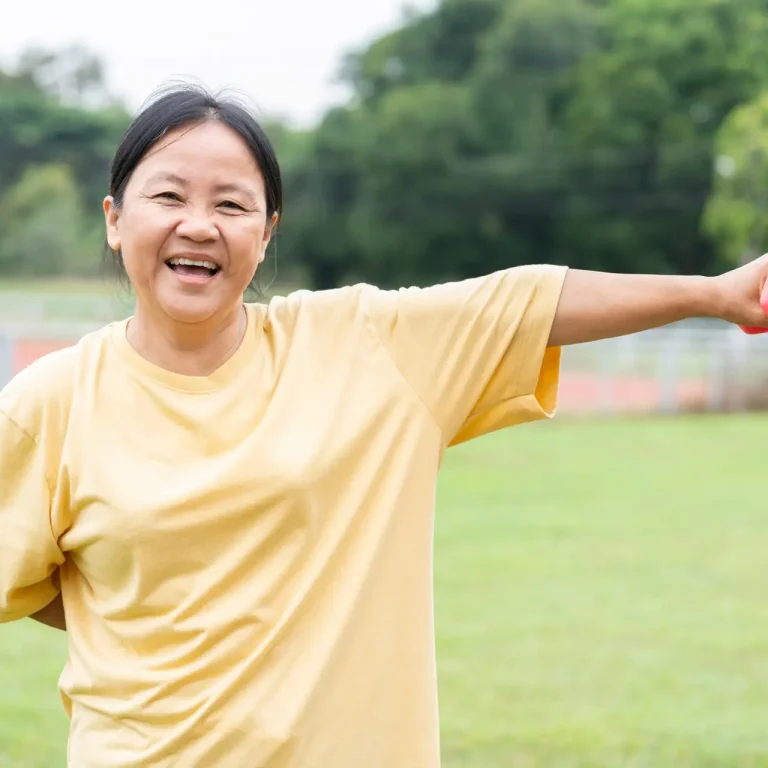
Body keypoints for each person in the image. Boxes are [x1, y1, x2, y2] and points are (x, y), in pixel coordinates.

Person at [0, 83, 766, 768]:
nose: (199, 226)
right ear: (115, 219)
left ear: (266, 233)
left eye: (231, 205)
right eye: (169, 196)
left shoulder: (363, 346)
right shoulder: (53, 403)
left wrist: (714, 294)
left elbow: (526, 302)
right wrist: (124, 612)